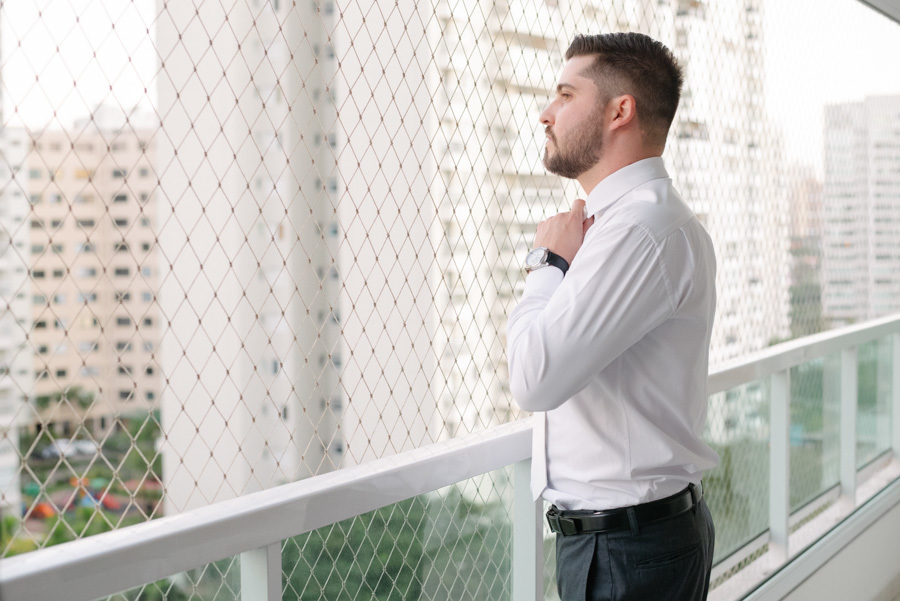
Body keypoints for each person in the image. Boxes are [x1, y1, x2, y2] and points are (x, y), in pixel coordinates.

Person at [506, 32, 719, 600]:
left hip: (628, 550)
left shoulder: (640, 230)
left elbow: (534, 378)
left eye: (565, 94)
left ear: (619, 111)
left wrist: (547, 263)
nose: (545, 113)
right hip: (625, 542)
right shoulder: (627, 224)